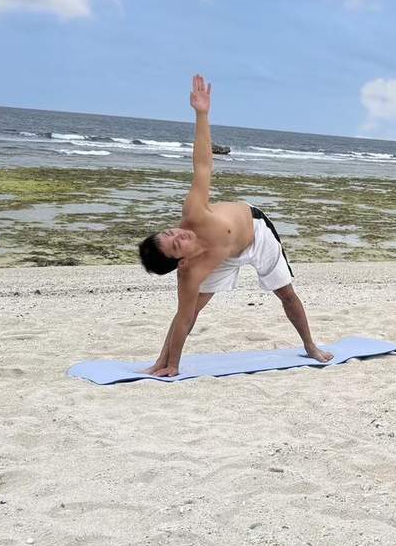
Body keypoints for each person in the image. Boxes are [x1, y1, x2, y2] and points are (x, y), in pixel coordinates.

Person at [137, 74, 332, 375]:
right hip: (222, 257)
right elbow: (185, 317)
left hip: (256, 233)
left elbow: (203, 163)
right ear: (182, 260)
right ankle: (162, 362)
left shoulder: (194, 212)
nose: (180, 233)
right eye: (176, 244)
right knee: (192, 309)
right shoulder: (191, 272)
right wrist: (173, 365)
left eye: (170, 231)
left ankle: (310, 346)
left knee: (286, 294)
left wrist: (202, 114)